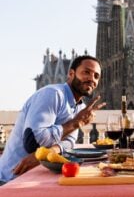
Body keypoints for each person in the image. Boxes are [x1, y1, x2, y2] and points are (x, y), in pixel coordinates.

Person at [0, 55, 106, 185]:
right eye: (86, 72)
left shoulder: (80, 107)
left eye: (96, 76)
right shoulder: (53, 94)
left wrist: (43, 155)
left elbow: (69, 143)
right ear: (71, 74)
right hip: (11, 178)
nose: (91, 79)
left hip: (37, 178)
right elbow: (33, 142)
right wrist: (76, 122)